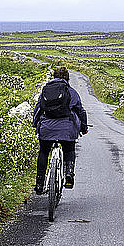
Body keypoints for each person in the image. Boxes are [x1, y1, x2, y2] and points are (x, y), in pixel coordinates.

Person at [33, 66, 88, 194]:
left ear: (54, 77)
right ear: (67, 78)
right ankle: (69, 174)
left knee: (44, 152)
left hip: (47, 128)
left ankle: (40, 183)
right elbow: (80, 111)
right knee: (69, 149)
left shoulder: (45, 91)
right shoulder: (71, 92)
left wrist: (36, 125)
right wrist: (83, 128)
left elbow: (38, 109)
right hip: (67, 129)